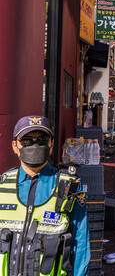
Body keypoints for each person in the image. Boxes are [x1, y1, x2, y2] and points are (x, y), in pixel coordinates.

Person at [0, 116, 90, 275]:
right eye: (27, 141)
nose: (35, 145)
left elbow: (80, 244)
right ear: (15, 146)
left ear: (51, 144)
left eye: (42, 140)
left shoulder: (69, 187)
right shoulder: (2, 185)